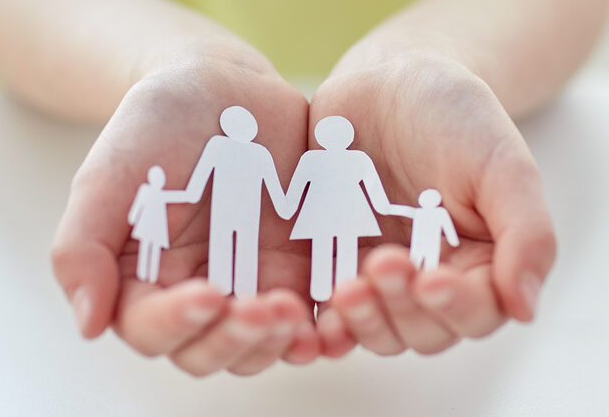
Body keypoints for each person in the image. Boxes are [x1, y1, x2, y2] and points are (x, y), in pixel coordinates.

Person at [0, 0, 608, 375]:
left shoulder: (300, 158)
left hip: (489, 63)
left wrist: (428, 61)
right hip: (74, 87)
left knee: (298, 259)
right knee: (240, 251)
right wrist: (169, 65)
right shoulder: (242, 156)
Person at [282, 116, 393, 302]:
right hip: (348, 210)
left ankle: (326, 289)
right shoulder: (357, 158)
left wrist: (285, 209)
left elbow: (295, 191)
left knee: (324, 247)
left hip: (321, 211)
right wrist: (387, 208)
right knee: (344, 248)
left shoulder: (312, 158)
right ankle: (342, 289)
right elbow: (377, 194)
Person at [184, 106, 288, 297]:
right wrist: (287, 209)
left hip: (231, 210)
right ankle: (234, 290)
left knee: (226, 245)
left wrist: (183, 195)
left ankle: (226, 289)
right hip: (242, 211)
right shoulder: (257, 152)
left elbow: (197, 184)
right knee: (242, 247)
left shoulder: (222, 146)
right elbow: (276, 192)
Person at [128, 165, 189, 284]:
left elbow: (176, 196)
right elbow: (138, 205)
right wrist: (133, 217)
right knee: (146, 247)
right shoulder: (145, 190)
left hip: (157, 226)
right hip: (146, 223)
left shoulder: (162, 193)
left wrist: (188, 195)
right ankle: (143, 272)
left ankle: (150, 275)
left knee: (155, 249)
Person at [390, 189, 460, 272]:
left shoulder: (440, 212)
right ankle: (413, 275)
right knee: (415, 262)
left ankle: (427, 278)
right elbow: (405, 211)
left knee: (430, 264)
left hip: (431, 243)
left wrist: (453, 240)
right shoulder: (419, 212)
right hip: (418, 243)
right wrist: (389, 209)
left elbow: (447, 226)